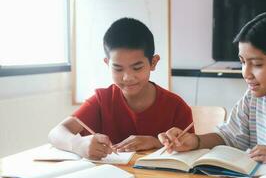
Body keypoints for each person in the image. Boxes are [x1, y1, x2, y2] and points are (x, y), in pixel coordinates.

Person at [158, 11, 266, 167]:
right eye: (243, 62)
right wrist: (195, 141)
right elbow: (229, 136)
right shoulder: (252, 99)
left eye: (257, 64)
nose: (246, 73)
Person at [48, 17, 193, 160]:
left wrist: (156, 143)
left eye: (137, 68)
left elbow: (192, 152)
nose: (127, 77)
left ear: (153, 62)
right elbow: (56, 133)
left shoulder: (176, 106)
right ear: (107, 64)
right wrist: (78, 144)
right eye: (117, 69)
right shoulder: (102, 100)